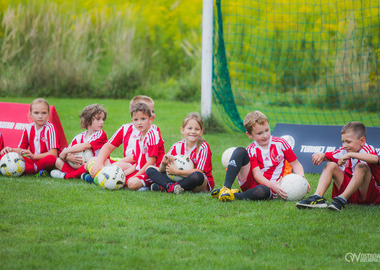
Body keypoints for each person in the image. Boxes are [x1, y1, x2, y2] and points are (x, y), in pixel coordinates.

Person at [212, 110, 308, 202]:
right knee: (240, 151)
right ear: (249, 135)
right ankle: (226, 189)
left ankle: (235, 195)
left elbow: (296, 164)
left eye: (267, 130)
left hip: (269, 188)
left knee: (262, 191)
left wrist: (302, 179)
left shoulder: (281, 143)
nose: (265, 135)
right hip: (252, 181)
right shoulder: (252, 149)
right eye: (260, 133)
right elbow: (257, 175)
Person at [296, 121, 380, 211]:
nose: (344, 145)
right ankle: (317, 197)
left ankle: (341, 199)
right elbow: (326, 156)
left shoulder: (367, 149)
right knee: (330, 165)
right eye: (343, 142)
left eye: (348, 142)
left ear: (362, 141)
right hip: (351, 195)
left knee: (361, 167)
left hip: (369, 195)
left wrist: (350, 155)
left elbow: (375, 159)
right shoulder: (343, 151)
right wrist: (320, 155)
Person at [86, 102, 164, 191]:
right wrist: (122, 171)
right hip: (136, 166)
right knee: (94, 160)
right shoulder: (135, 134)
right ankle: (101, 177)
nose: (139, 122)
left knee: (131, 182)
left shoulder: (153, 132)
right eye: (136, 119)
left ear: (150, 118)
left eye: (143, 118)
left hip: (151, 170)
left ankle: (151, 185)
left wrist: (132, 174)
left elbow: (150, 162)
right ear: (132, 119)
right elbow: (137, 159)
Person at [146, 112, 214, 194]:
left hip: (197, 183)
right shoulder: (177, 146)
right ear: (182, 130)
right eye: (189, 128)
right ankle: (173, 187)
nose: (193, 131)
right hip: (177, 178)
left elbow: (199, 171)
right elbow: (163, 170)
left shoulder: (203, 147)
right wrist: (164, 164)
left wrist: (177, 172)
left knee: (198, 176)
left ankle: (166, 186)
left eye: (197, 129)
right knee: (150, 169)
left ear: (201, 131)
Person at [0, 98, 60, 176]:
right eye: (36, 113)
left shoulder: (50, 128)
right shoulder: (28, 128)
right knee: (4, 156)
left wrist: (34, 156)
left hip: (46, 160)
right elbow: (21, 150)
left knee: (51, 159)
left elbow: (53, 153)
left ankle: (29, 170)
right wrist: (10, 150)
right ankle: (37, 170)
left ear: (48, 114)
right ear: (31, 114)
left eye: (44, 113)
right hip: (33, 161)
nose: (40, 116)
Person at [50, 104, 108, 179]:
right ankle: (82, 175)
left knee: (90, 163)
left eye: (103, 119)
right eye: (98, 119)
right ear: (88, 120)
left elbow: (86, 146)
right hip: (79, 167)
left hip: (96, 165)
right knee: (58, 161)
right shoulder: (78, 137)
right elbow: (62, 156)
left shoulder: (101, 134)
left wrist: (65, 151)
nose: (102, 122)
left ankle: (66, 176)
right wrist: (68, 157)